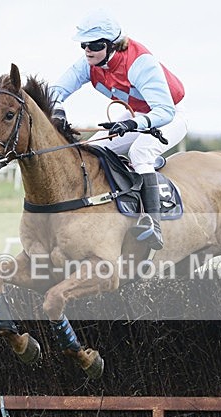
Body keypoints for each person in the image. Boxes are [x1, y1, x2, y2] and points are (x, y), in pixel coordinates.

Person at [49, 10, 187, 250]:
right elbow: (55, 90)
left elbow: (164, 111)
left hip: (169, 116)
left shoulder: (140, 62)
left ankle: (153, 223)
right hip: (136, 114)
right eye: (84, 45)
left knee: (140, 153)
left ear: (112, 45)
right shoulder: (89, 63)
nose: (87, 51)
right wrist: (57, 111)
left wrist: (132, 124)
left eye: (94, 45)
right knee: (91, 150)